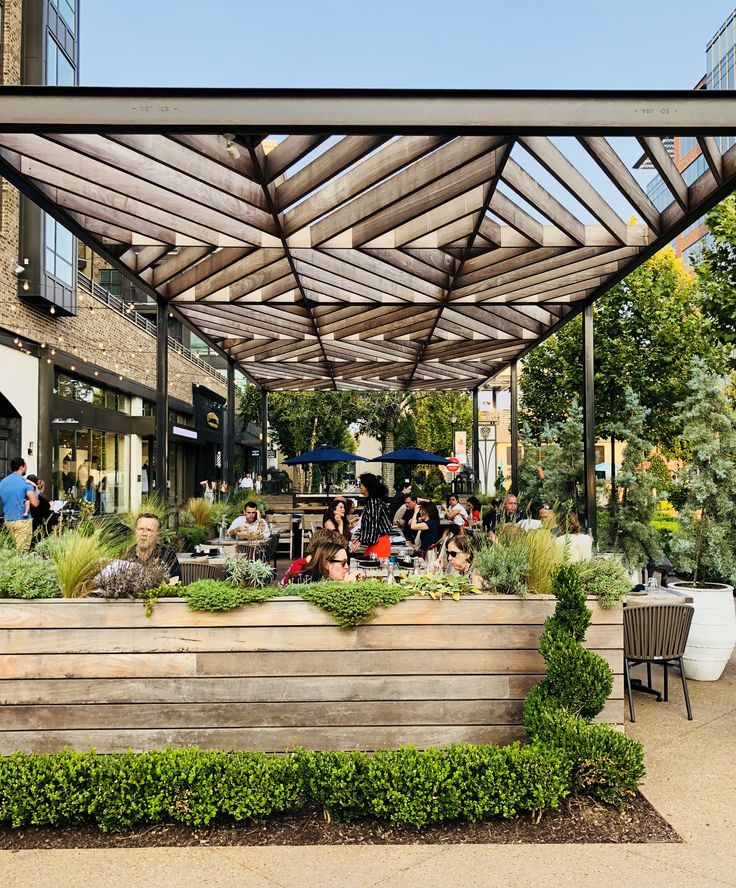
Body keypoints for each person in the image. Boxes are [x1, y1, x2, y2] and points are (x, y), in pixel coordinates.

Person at [126, 513, 180, 583]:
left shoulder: (168, 556)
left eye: (149, 530)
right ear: (135, 531)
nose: (144, 534)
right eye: (140, 529)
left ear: (158, 534)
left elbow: (175, 583)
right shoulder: (126, 555)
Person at [0, 457, 39, 551]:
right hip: (22, 521)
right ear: (22, 467)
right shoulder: (25, 482)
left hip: (8, 520)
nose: (26, 468)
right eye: (25, 466)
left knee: (12, 551)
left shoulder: (3, 482)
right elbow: (35, 503)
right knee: (22, 553)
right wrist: (35, 489)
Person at [352, 473, 392, 558]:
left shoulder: (373, 503)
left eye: (360, 484)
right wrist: (361, 538)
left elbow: (372, 525)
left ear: (366, 487)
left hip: (378, 543)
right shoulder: (375, 501)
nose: (359, 486)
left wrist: (361, 539)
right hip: (379, 541)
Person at [25, 475, 57, 540]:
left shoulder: (22, 498)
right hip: (38, 529)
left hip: (26, 526)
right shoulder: (42, 501)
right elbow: (49, 518)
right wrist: (51, 508)